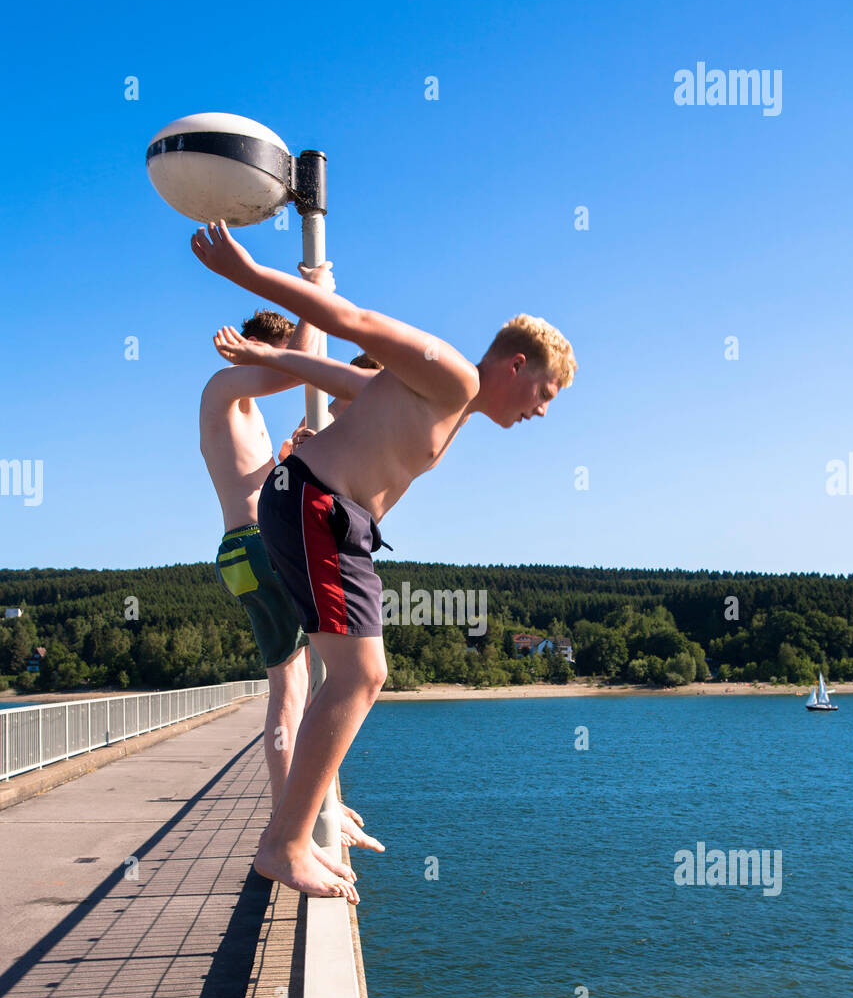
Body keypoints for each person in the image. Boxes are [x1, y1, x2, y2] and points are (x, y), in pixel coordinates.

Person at [191, 220, 576, 901]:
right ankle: (283, 846)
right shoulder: (453, 374)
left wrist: (271, 356)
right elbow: (353, 320)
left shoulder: (451, 407)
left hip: (341, 524)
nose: (541, 412)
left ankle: (308, 819)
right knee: (361, 674)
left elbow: (339, 375)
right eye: (544, 393)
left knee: (343, 677)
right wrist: (245, 273)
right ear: (516, 366)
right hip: (316, 506)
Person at [200, 273, 382, 903]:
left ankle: (313, 810)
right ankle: (292, 830)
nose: (262, 368)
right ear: (241, 347)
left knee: (309, 682)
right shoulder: (221, 392)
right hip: (252, 547)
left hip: (251, 547)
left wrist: (294, 458)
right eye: (258, 353)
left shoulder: (247, 419)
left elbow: (264, 482)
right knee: (296, 687)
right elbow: (290, 369)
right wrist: (313, 290)